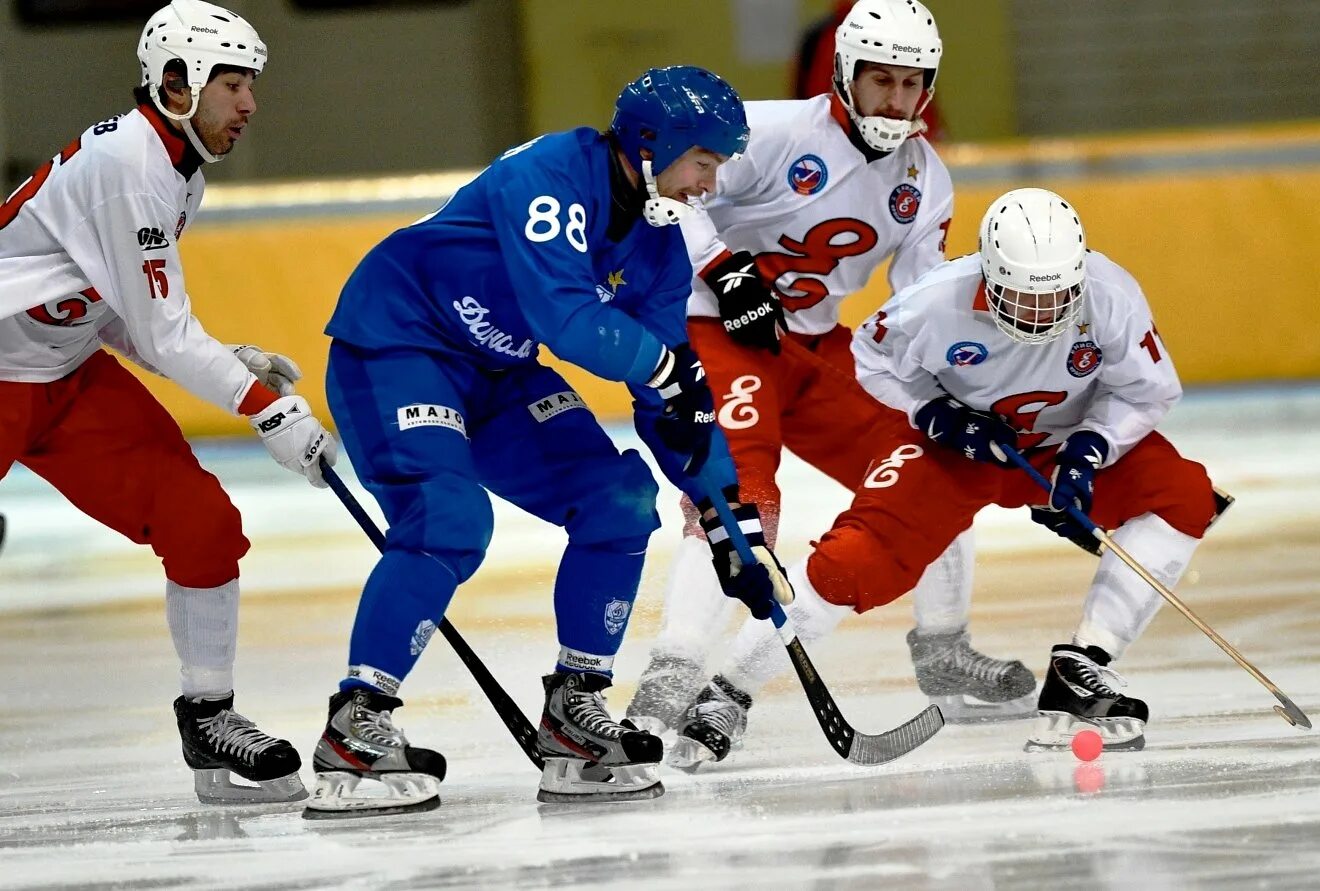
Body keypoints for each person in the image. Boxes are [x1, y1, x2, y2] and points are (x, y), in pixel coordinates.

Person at [303, 66, 794, 817]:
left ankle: (574, 712)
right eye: (705, 161)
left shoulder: (660, 251)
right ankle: (356, 722)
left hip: (498, 367)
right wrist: (669, 368)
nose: (710, 183)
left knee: (621, 500)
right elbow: (566, 317)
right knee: (449, 518)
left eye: (719, 166)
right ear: (652, 144)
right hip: (400, 343)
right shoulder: (551, 174)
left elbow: (673, 403)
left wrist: (730, 519)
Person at [626, 0, 1034, 770]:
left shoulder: (924, 178)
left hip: (813, 347)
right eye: (880, 80)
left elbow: (921, 301)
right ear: (845, 75)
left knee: (939, 470)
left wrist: (960, 385)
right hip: (717, 331)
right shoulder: (769, 132)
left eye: (911, 84)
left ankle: (943, 648)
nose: (896, 100)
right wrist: (720, 265)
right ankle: (671, 672)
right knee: (743, 498)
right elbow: (666, 189)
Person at [714, 186, 1228, 754]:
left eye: (1058, 296)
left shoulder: (1111, 294)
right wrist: (934, 412)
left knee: (1186, 494)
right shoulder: (932, 303)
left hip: (1060, 446)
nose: (1042, 313)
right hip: (951, 454)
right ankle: (727, 692)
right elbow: (871, 358)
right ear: (989, 273)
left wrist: (1090, 448)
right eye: (1025, 297)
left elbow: (1148, 390)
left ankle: (1082, 666)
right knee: (849, 565)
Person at [0, 0, 337, 804]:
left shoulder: (174, 169)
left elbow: (118, 312)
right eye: (231, 82)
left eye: (249, 83)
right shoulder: (134, 167)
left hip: (67, 372)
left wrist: (231, 361)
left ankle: (209, 718)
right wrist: (265, 404)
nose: (249, 103)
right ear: (177, 82)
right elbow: (161, 326)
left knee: (203, 524)